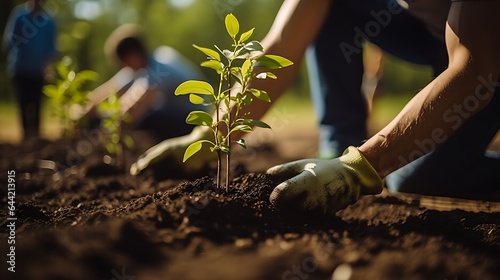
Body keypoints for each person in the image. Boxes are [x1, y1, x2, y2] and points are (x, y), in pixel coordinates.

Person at [131, 0, 500, 210]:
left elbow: (476, 69)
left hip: (489, 55)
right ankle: (336, 150)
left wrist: (361, 168)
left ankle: (345, 169)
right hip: (437, 36)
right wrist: (212, 133)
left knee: (416, 179)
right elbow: (279, 50)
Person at [82, 24, 208, 141]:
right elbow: (114, 88)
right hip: (175, 114)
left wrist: (104, 132)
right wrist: (84, 110)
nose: (126, 68)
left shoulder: (161, 65)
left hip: (194, 121)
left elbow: (137, 104)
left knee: (147, 119)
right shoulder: (146, 64)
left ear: (133, 56)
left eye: (124, 64)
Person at [2, 0, 57, 139]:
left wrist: (48, 68)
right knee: (23, 104)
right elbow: (9, 42)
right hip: (20, 69)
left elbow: (50, 49)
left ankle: (36, 139)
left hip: (38, 71)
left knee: (37, 105)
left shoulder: (49, 22)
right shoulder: (19, 16)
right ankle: (25, 137)